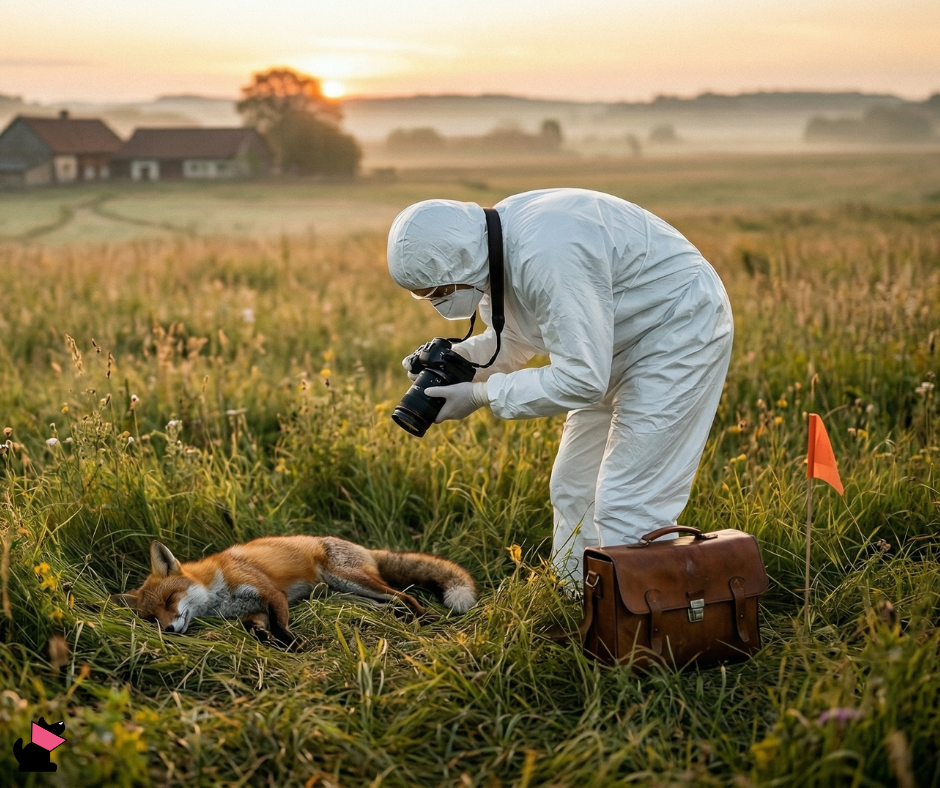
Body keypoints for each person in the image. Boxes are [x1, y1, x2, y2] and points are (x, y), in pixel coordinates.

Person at [387, 189, 733, 584]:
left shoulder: (547, 252)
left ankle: (640, 634)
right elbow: (517, 338)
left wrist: (481, 394)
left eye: (436, 291)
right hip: (612, 339)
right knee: (573, 485)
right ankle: (580, 604)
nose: (433, 301)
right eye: (423, 294)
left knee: (628, 501)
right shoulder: (494, 248)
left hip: (679, 327)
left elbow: (582, 379)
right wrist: (457, 364)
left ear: (459, 262)